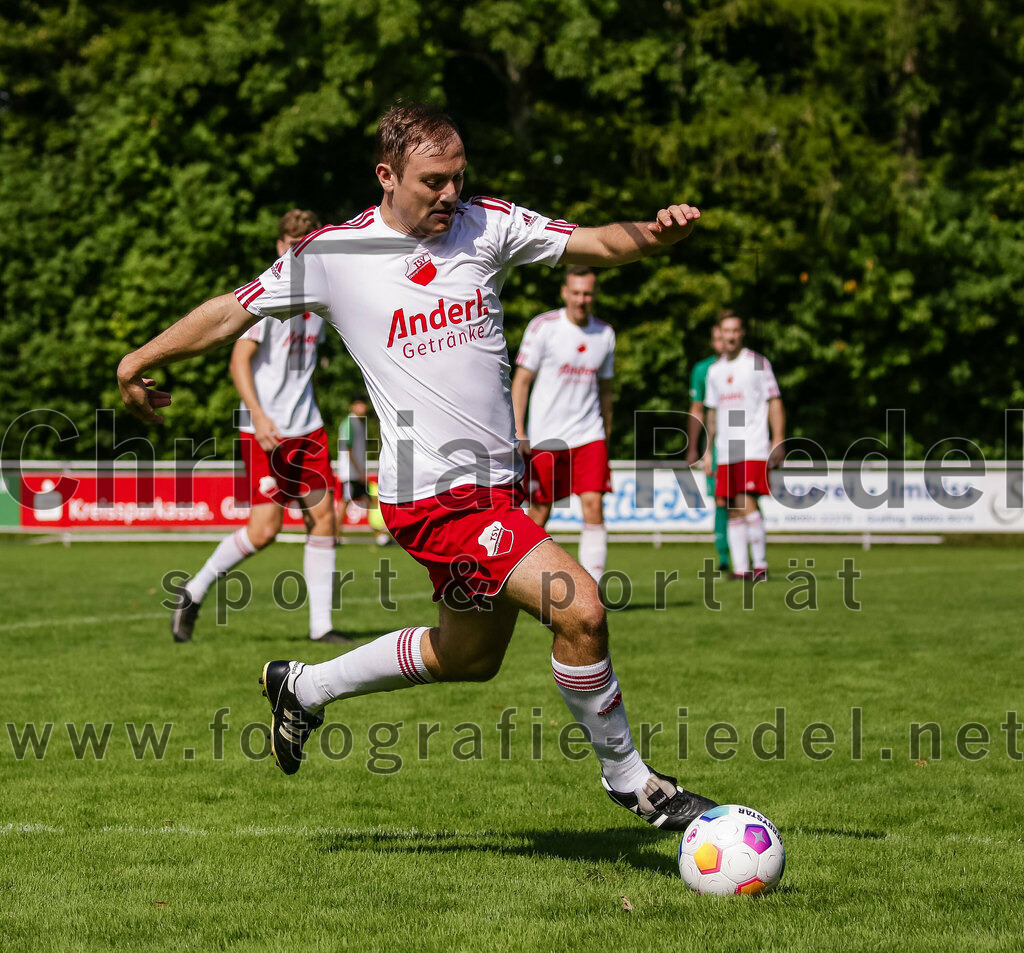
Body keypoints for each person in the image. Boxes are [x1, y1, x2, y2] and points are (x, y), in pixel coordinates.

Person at [119, 103, 717, 831]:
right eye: (433, 180)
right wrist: (138, 358)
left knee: (470, 655)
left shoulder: (485, 224)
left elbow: (592, 243)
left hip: (496, 489)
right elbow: (229, 313)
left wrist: (653, 235)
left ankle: (303, 686)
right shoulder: (334, 254)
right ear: (386, 175)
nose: (449, 194)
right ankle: (633, 781)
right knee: (581, 608)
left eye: (457, 177)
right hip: (434, 496)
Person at [170, 210, 350, 645]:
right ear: (279, 246)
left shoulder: (318, 302)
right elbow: (238, 362)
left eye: (305, 241)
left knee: (323, 518)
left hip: (307, 428)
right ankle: (193, 592)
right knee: (265, 530)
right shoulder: (269, 296)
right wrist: (259, 416)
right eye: (290, 242)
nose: (296, 249)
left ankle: (321, 629)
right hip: (264, 430)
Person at [510, 266, 614, 582]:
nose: (582, 299)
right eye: (577, 293)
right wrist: (518, 430)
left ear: (594, 295)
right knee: (539, 512)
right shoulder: (543, 327)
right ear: (565, 293)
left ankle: (594, 590)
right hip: (546, 437)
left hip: (589, 434)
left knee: (594, 505)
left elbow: (607, 390)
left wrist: (606, 434)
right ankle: (520, 580)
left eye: (588, 293)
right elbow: (522, 381)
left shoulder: (605, 334)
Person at [702, 311, 785, 581]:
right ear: (719, 335)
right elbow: (711, 414)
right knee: (731, 507)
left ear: (742, 333)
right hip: (726, 450)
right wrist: (707, 449)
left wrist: (778, 438)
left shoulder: (758, 363)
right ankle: (741, 569)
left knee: (745, 501)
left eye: (736, 330)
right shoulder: (714, 371)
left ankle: (759, 565)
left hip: (752, 444)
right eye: (726, 331)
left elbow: (774, 401)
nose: (731, 336)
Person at [685, 324, 731, 573]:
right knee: (721, 500)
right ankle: (724, 555)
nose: (721, 342)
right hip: (715, 446)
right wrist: (694, 447)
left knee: (746, 501)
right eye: (716, 338)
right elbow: (697, 408)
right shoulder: (704, 370)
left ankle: (755, 559)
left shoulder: (750, 366)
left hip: (745, 444)